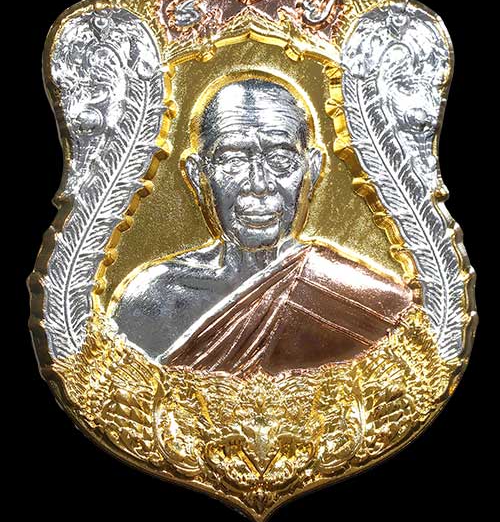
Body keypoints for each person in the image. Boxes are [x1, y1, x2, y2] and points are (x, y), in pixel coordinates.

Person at [109, 78, 413, 374]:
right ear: (197, 174)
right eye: (233, 160)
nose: (259, 184)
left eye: (280, 159)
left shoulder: (371, 303)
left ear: (313, 167)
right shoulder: (154, 301)